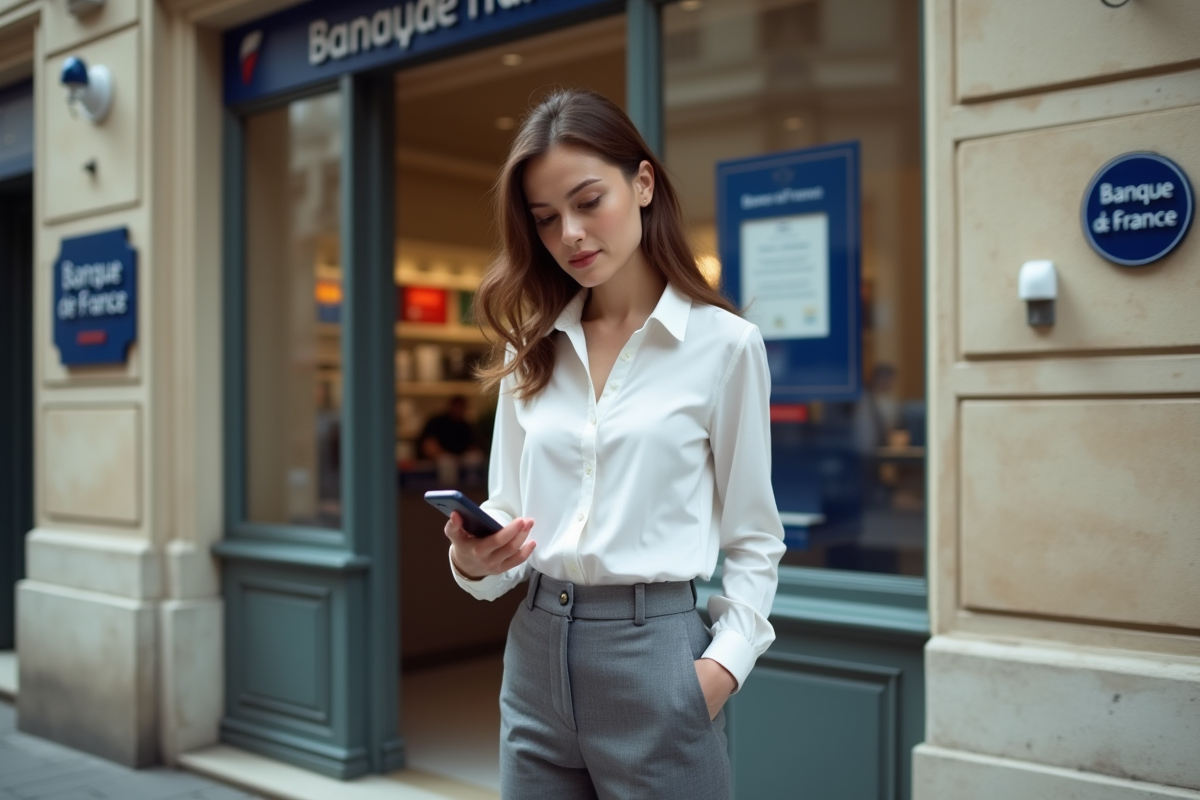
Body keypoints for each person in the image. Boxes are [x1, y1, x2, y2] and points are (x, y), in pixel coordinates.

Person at [442, 89, 785, 799]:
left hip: (657, 658)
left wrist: (721, 669)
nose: (569, 233)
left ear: (643, 184)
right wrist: (473, 560)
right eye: (545, 218)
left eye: (588, 201)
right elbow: (509, 513)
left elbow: (754, 538)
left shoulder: (725, 347)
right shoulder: (531, 348)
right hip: (535, 660)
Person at [418, 394, 479, 459]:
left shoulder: (466, 427)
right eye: (457, 407)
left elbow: (472, 446)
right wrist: (442, 455)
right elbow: (429, 445)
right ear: (451, 407)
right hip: (434, 461)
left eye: (461, 408)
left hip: (460, 461)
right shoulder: (436, 422)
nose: (458, 410)